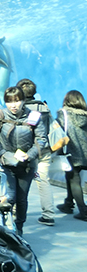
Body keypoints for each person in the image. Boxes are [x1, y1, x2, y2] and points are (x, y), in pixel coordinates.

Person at [0, 86, 48, 235]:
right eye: (9, 101)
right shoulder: (0, 115)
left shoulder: (34, 116)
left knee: (22, 199)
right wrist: (2, 153)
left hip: (26, 165)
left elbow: (41, 139)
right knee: (10, 196)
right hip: (6, 163)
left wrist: (30, 155)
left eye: (17, 101)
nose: (14, 105)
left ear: (23, 101)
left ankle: (19, 228)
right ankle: (3, 228)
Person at [18, 78, 56, 226]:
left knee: (20, 182)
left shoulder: (22, 109)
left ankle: (16, 211)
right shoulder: (44, 107)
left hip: (26, 151)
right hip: (44, 150)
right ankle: (48, 214)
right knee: (43, 181)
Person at [56, 90, 87, 221]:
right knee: (70, 177)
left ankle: (83, 211)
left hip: (71, 152)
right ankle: (68, 203)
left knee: (74, 180)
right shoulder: (85, 116)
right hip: (85, 153)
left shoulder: (63, 114)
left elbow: (57, 132)